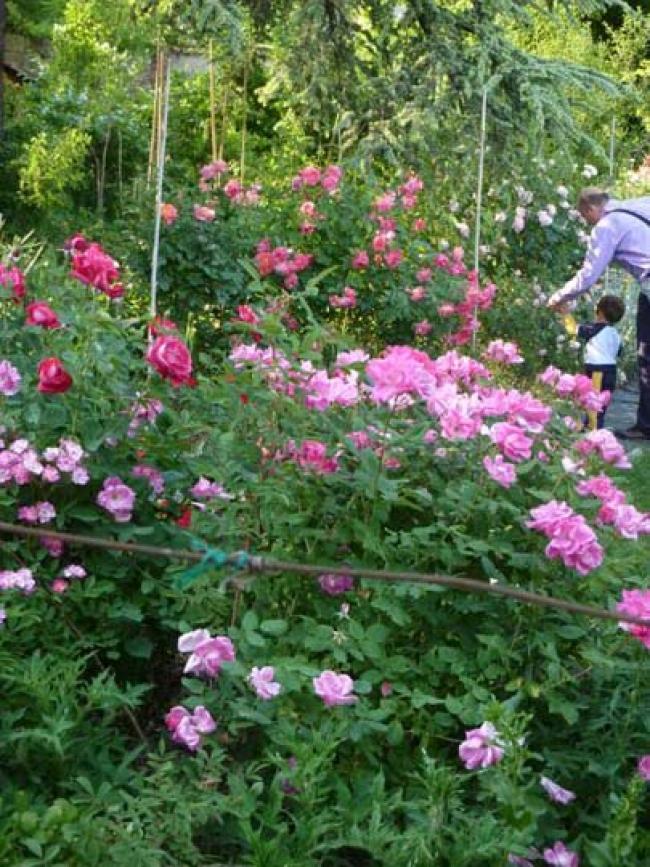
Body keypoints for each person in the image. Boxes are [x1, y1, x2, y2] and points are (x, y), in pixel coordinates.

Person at [548, 188, 650, 440]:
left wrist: (560, 298)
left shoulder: (607, 226)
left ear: (591, 209)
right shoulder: (636, 204)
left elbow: (589, 275)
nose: (587, 223)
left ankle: (646, 426)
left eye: (585, 218)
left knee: (647, 357)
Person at [561, 294, 625, 429]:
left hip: (597, 371)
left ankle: (594, 431)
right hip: (610, 371)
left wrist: (565, 313)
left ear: (600, 312)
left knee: (593, 401)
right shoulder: (615, 333)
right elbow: (619, 352)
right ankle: (592, 425)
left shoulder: (595, 329)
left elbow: (572, 329)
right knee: (601, 403)